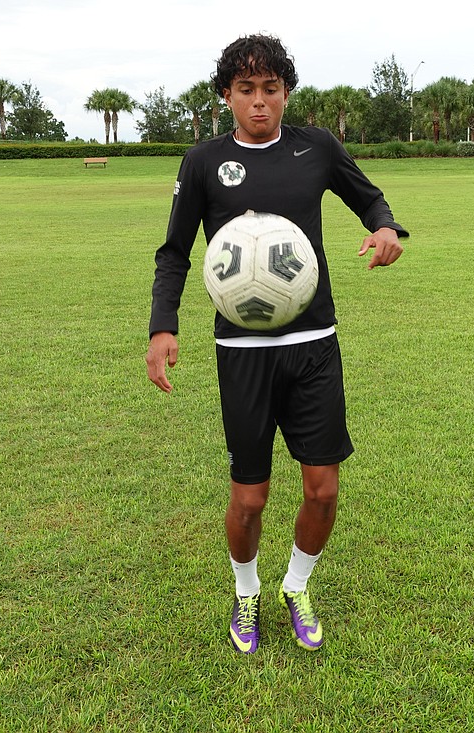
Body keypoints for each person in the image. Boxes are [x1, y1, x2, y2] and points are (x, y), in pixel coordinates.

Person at [146, 34, 407, 654]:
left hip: (314, 342)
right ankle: (246, 593)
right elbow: (175, 252)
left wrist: (385, 226)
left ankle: (296, 585)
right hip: (243, 354)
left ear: (286, 92)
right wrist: (163, 327)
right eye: (246, 91)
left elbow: (367, 196)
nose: (259, 102)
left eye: (270, 89)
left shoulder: (315, 147)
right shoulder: (204, 162)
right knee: (249, 495)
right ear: (227, 97)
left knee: (322, 488)